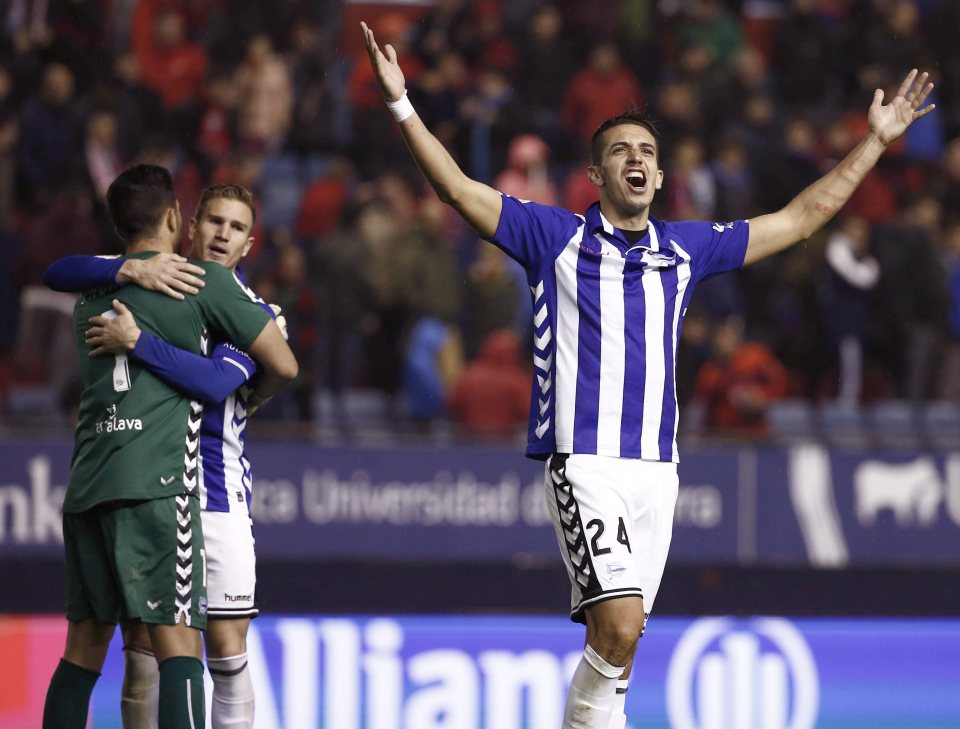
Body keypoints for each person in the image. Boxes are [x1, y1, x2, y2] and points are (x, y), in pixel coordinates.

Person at [361, 21, 934, 729]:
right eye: (620, 152)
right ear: (597, 176)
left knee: (620, 653)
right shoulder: (554, 237)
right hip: (587, 463)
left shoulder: (688, 249)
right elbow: (455, 189)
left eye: (647, 152)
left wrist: (875, 141)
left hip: (657, 473)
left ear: (660, 177)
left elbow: (801, 218)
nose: (636, 159)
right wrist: (401, 104)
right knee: (622, 627)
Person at [41, 165, 297, 729]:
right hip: (162, 485)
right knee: (145, 653)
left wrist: (140, 341)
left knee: (224, 654)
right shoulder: (164, 281)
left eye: (236, 227)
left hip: (211, 490)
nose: (223, 234)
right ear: (187, 224)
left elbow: (252, 373)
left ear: (251, 243)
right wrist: (130, 265)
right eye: (215, 220)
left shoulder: (244, 307)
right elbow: (60, 269)